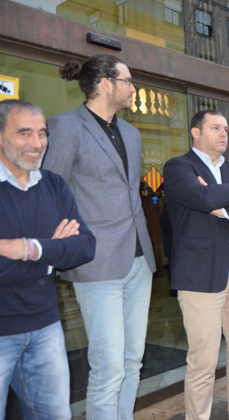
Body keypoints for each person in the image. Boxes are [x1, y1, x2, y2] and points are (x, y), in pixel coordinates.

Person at [43, 55, 157, 419]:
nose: (133, 88)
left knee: (132, 360)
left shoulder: (132, 134)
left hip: (139, 261)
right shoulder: (65, 127)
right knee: (108, 367)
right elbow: (51, 190)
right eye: (128, 81)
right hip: (96, 263)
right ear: (106, 84)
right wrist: (60, 244)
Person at [163, 109, 229, 420]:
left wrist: (227, 210)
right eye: (215, 128)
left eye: (226, 129)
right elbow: (203, 198)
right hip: (199, 274)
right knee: (204, 360)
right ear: (196, 133)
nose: (224, 133)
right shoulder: (178, 167)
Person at [0, 100, 96, 419]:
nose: (38, 143)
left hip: (46, 326)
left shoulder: (53, 184)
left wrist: (31, 249)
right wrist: (54, 252)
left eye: (42, 133)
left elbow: (86, 246)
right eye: (24, 133)